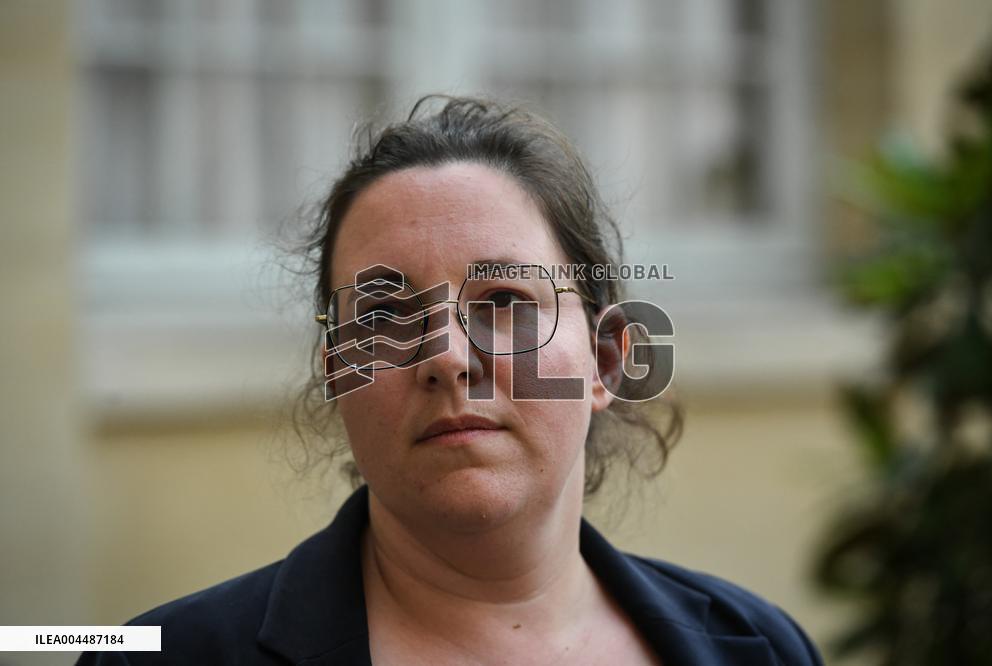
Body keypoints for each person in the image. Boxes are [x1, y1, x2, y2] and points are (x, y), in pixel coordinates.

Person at [77, 95, 823, 665]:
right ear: (337, 373)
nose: (445, 356)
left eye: (504, 303)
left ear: (604, 361)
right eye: (385, 315)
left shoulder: (756, 645)